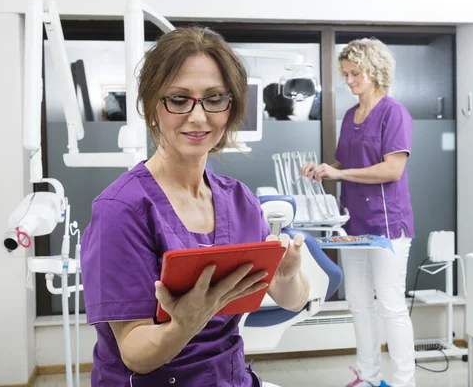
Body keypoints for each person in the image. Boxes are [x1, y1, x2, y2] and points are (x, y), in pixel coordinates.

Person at [80, 26, 310, 387]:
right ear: (153, 105)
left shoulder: (241, 201)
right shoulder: (121, 210)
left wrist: (286, 276)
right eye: (178, 98)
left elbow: (295, 300)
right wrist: (185, 324)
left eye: (214, 98)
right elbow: (135, 353)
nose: (198, 116)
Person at [300, 38, 416, 387]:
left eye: (355, 73)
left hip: (386, 224)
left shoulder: (393, 112)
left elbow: (392, 170)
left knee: (391, 305)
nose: (348, 81)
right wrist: (324, 168)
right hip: (353, 223)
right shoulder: (351, 115)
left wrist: (339, 174)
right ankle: (367, 377)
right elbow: (344, 163)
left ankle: (404, 382)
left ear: (375, 71)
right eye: (346, 74)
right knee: (359, 304)